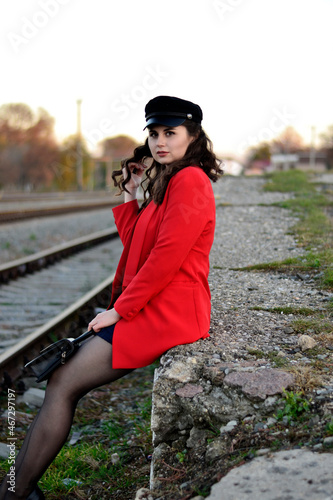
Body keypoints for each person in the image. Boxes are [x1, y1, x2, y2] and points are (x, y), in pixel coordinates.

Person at [0, 95, 222, 499]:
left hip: (171, 311)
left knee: (63, 381)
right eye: (154, 133)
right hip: (158, 304)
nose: (160, 141)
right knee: (62, 381)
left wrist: (119, 310)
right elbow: (140, 249)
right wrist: (131, 198)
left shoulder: (190, 181)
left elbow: (166, 258)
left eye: (170, 133)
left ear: (193, 135)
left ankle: (14, 491)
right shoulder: (171, 180)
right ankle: (17, 488)